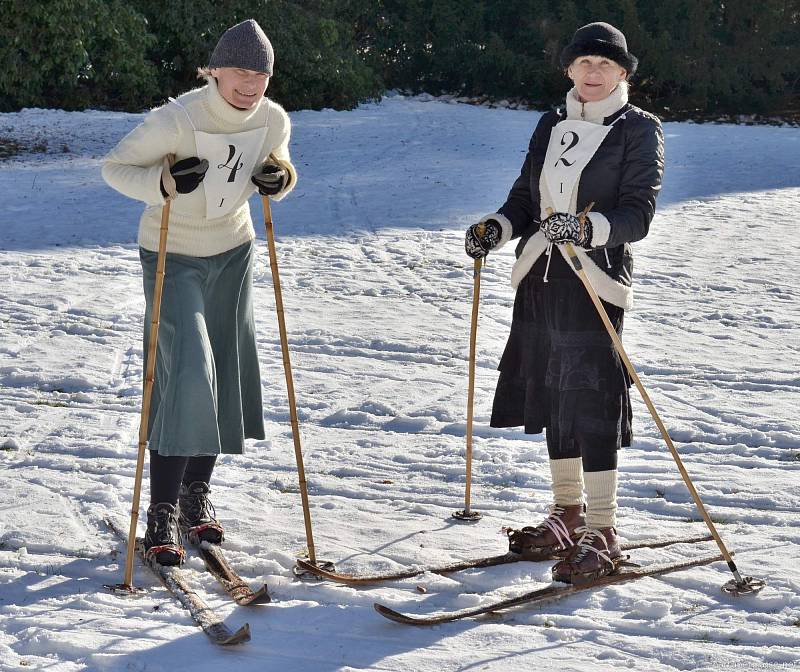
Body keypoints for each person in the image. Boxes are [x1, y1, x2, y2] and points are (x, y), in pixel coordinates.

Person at [464, 22, 664, 584]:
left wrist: (585, 227)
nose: (594, 72)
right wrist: (498, 228)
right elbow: (527, 198)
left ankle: (602, 530)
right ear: (570, 70)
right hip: (540, 277)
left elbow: (637, 214)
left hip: (593, 281)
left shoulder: (638, 129)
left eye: (606, 65)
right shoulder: (551, 123)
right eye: (584, 63)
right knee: (555, 394)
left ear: (623, 73)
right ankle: (567, 513)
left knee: (591, 401)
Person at [103, 19, 297, 565]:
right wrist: (162, 182)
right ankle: (160, 511)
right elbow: (114, 168)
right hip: (172, 253)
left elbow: (277, 164)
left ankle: (194, 495)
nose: (251, 83)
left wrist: (280, 179)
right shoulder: (177, 119)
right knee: (187, 369)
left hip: (232, 252)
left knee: (224, 371)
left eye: (261, 74)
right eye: (240, 71)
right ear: (213, 70)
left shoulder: (272, 118)